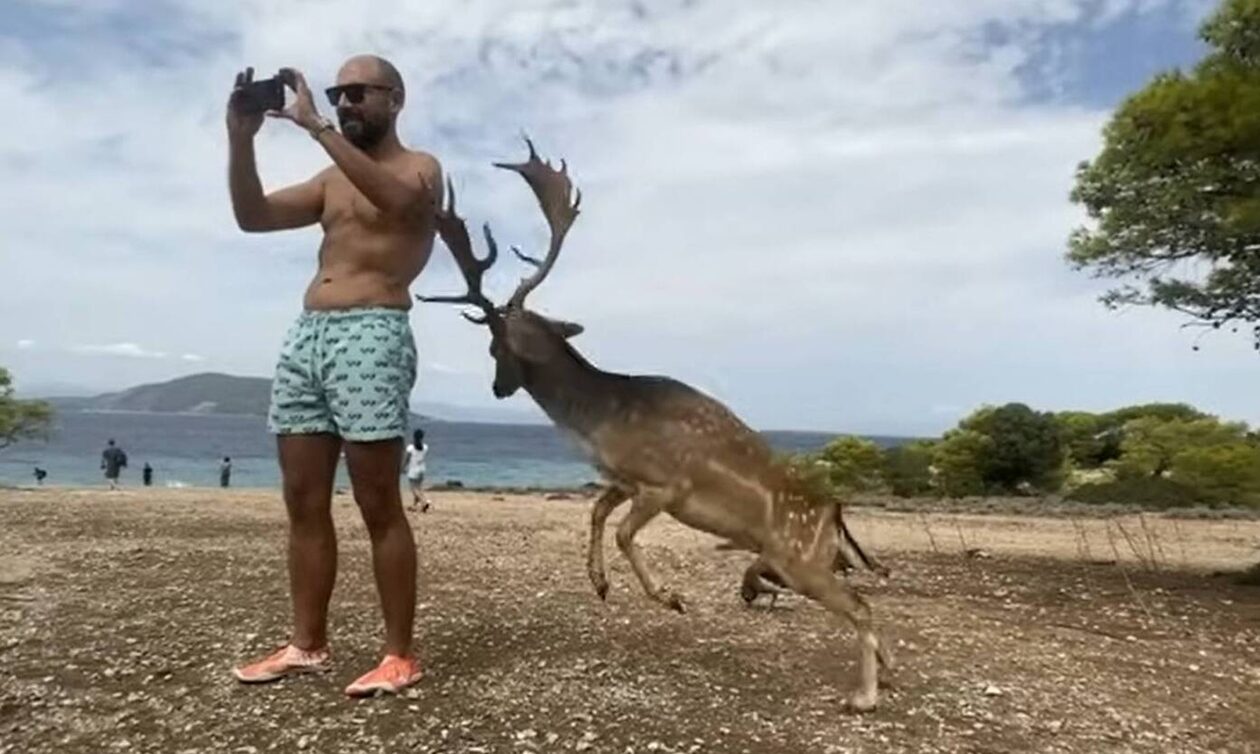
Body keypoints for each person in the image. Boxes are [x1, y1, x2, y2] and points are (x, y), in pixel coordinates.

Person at [226, 55, 442, 697]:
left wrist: (315, 125)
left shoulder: (420, 168)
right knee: (303, 501)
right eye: (336, 94)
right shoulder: (330, 180)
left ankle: (400, 654)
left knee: (378, 501)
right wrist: (240, 141)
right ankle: (306, 644)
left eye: (358, 93)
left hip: (372, 330)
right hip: (309, 334)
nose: (346, 103)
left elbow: (399, 203)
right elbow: (252, 215)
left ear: (394, 100)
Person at [402, 429, 429, 512]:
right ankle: (414, 506)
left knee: (414, 489)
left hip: (414, 470)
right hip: (422, 469)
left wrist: (402, 468)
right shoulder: (425, 447)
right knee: (419, 488)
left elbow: (406, 459)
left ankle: (424, 502)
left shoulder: (410, 448)